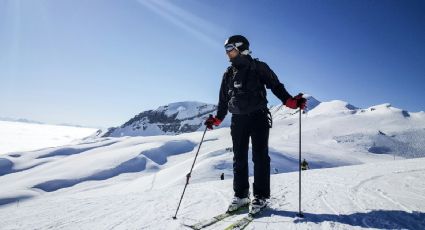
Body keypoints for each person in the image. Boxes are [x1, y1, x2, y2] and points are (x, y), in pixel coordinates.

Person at [205, 35, 306, 213]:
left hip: (258, 117)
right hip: (238, 120)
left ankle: (261, 196)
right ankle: (241, 195)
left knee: (260, 157)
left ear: (241, 48)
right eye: (226, 50)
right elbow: (223, 100)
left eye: (230, 48)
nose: (227, 53)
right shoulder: (228, 73)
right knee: (239, 158)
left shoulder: (259, 67)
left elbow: (276, 86)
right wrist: (218, 118)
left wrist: (289, 101)